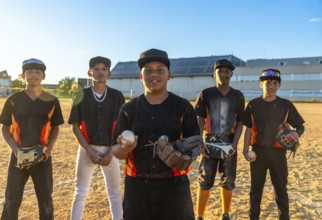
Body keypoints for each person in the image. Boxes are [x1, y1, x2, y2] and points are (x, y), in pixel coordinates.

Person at [112, 48, 200, 220]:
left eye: (160, 70)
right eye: (148, 70)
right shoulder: (128, 109)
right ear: (140, 76)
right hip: (137, 189)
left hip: (174, 188)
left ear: (169, 74)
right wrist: (124, 149)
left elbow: (195, 144)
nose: (154, 75)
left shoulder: (182, 107)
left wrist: (180, 153)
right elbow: (115, 151)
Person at [0, 58, 64, 219]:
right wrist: (15, 149)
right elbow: (4, 128)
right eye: (29, 72)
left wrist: (48, 148)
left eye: (37, 72)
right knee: (11, 201)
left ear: (44, 76)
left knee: (46, 202)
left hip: (43, 157)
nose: (33, 75)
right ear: (22, 75)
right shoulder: (13, 100)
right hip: (18, 157)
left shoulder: (52, 101)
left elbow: (56, 128)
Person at [242, 69, 305, 220]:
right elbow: (248, 129)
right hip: (258, 153)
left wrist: (297, 133)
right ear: (261, 84)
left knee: (281, 190)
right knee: (256, 190)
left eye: (274, 83)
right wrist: (245, 151)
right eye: (267, 83)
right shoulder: (253, 105)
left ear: (279, 86)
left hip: (278, 153)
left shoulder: (285, 105)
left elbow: (300, 126)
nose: (271, 86)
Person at [69, 56, 124, 220]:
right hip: (87, 148)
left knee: (114, 192)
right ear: (89, 72)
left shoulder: (117, 96)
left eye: (104, 69)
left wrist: (112, 152)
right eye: (96, 69)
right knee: (80, 191)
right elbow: (75, 126)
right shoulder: (80, 94)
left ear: (109, 73)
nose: (100, 72)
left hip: (110, 149)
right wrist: (89, 150)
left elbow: (121, 127)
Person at [195, 59, 245, 220]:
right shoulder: (206, 93)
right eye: (220, 71)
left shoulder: (238, 96)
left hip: (229, 141)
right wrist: (200, 142)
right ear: (214, 73)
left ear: (231, 74)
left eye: (227, 72)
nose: (224, 74)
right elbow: (200, 118)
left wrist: (235, 143)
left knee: (228, 180)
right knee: (205, 180)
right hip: (209, 142)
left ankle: (225, 213)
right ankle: (200, 215)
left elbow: (241, 122)